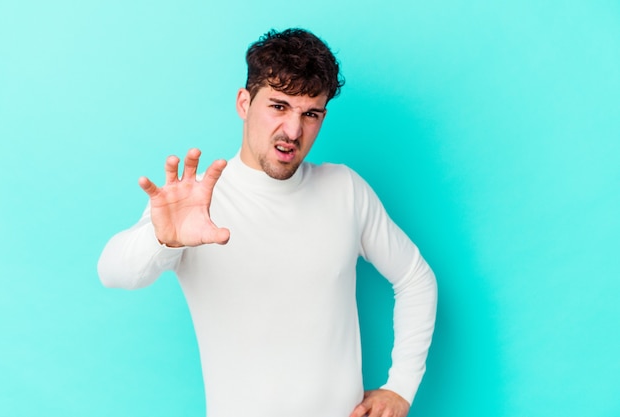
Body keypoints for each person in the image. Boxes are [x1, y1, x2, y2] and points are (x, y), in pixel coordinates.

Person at [98, 28, 437, 417]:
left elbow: (416, 278)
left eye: (310, 114)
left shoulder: (345, 189)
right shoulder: (198, 204)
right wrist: (163, 240)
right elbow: (113, 271)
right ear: (244, 103)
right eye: (278, 106)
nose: (293, 131)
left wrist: (401, 388)